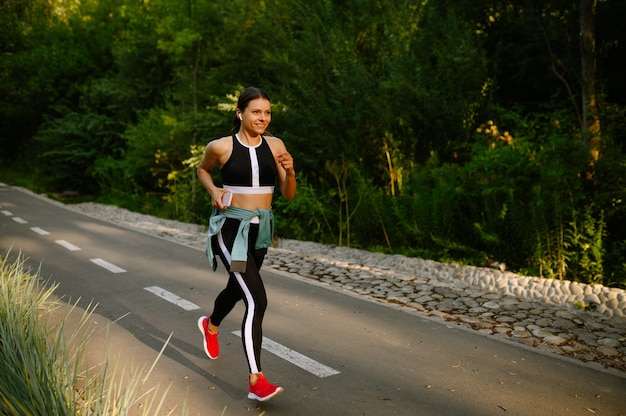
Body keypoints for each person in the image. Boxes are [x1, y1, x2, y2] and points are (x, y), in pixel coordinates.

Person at [196, 87, 296, 402]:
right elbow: (203, 170)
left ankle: (210, 325)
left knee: (238, 289)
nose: (263, 118)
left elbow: (288, 193)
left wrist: (291, 171)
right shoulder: (221, 146)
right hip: (230, 229)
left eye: (267, 112)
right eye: (256, 112)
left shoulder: (276, 145)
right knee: (256, 300)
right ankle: (256, 379)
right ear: (240, 113)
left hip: (261, 230)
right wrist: (213, 190)